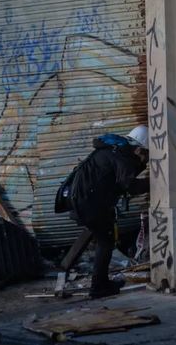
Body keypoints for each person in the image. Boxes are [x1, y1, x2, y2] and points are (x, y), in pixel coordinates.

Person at [67, 125, 149, 298]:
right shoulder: (121, 156)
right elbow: (129, 185)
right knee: (106, 241)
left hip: (83, 201)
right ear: (139, 149)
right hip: (90, 204)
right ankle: (98, 287)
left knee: (105, 239)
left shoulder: (112, 150)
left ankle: (101, 284)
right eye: (145, 155)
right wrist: (153, 182)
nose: (145, 160)